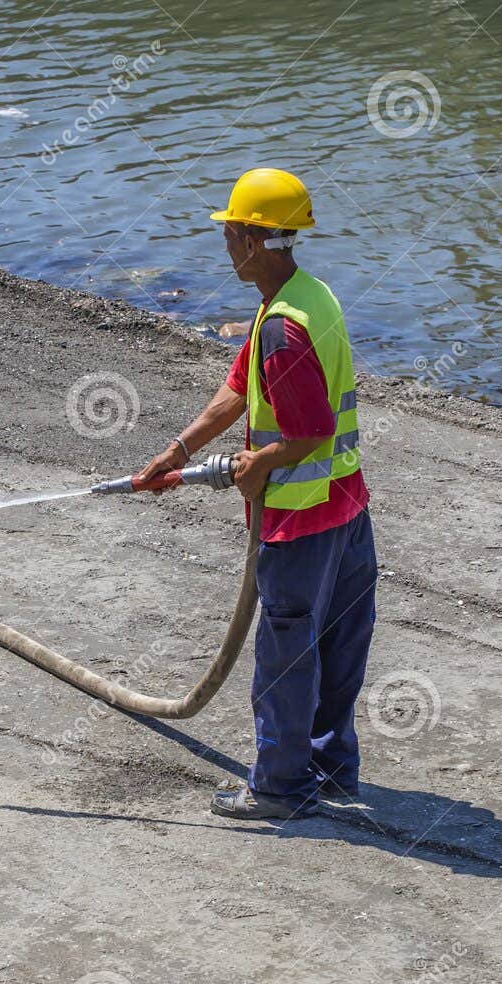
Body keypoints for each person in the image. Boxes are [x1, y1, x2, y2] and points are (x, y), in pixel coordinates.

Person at [137, 168, 376, 820]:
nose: (225, 247)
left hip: (302, 525)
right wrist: (177, 451)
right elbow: (238, 389)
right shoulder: (303, 298)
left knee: (283, 657)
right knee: (336, 645)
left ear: (249, 239)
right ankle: (330, 772)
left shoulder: (282, 327)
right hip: (348, 512)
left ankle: (279, 787)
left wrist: (255, 463)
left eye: (229, 234)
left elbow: (309, 430)